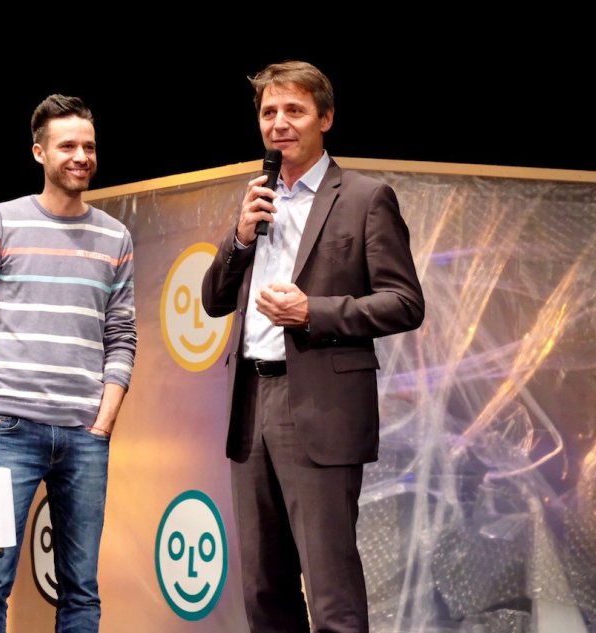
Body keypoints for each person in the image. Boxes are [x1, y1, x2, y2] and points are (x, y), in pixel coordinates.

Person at [202, 61, 424, 633]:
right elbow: (213, 300)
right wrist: (239, 237)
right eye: (268, 112)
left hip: (319, 408)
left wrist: (313, 312)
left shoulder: (365, 198)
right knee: (263, 591)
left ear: (325, 118)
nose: (279, 123)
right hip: (251, 402)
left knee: (330, 594)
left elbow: (405, 302)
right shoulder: (256, 199)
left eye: (294, 110)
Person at [0, 94, 137, 633]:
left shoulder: (116, 236)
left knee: (81, 590)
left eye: (89, 146)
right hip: (7, 430)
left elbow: (122, 334)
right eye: (68, 146)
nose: (81, 156)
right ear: (39, 152)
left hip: (84, 437)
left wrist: (104, 420)